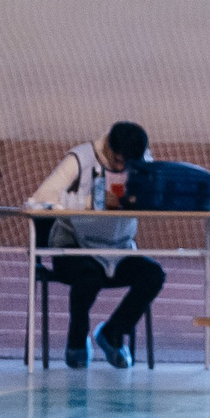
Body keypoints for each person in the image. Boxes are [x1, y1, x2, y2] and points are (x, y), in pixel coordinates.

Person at [24, 120, 163, 369]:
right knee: (88, 276)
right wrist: (91, 203)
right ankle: (76, 342)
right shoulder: (80, 158)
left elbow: (154, 197)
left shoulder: (143, 162)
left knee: (153, 275)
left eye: (128, 163)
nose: (121, 167)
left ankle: (112, 333)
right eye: (118, 160)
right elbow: (40, 200)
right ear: (108, 146)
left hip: (119, 251)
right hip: (73, 248)